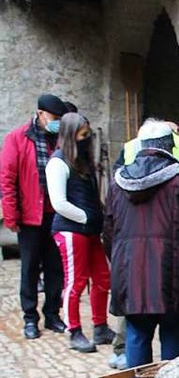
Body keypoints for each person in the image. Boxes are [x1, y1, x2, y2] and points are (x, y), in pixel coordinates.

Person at [103, 119, 179, 367]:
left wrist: (120, 262)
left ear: (142, 145)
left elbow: (109, 232)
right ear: (169, 145)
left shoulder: (118, 182)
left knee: (137, 334)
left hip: (132, 272)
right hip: (175, 273)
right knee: (174, 335)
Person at [0, 93, 68, 339]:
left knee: (55, 268)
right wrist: (11, 215)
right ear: (40, 114)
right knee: (29, 269)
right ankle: (30, 318)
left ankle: (52, 314)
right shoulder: (17, 138)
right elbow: (7, 180)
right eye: (53, 117)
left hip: (56, 214)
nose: (57, 122)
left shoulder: (60, 139)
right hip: (30, 216)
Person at [45, 112, 114, 353]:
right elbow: (59, 203)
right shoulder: (57, 163)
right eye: (83, 134)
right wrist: (87, 217)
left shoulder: (82, 161)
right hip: (71, 230)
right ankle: (73, 330)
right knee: (76, 282)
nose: (87, 138)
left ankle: (100, 326)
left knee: (103, 278)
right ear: (71, 135)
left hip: (90, 230)